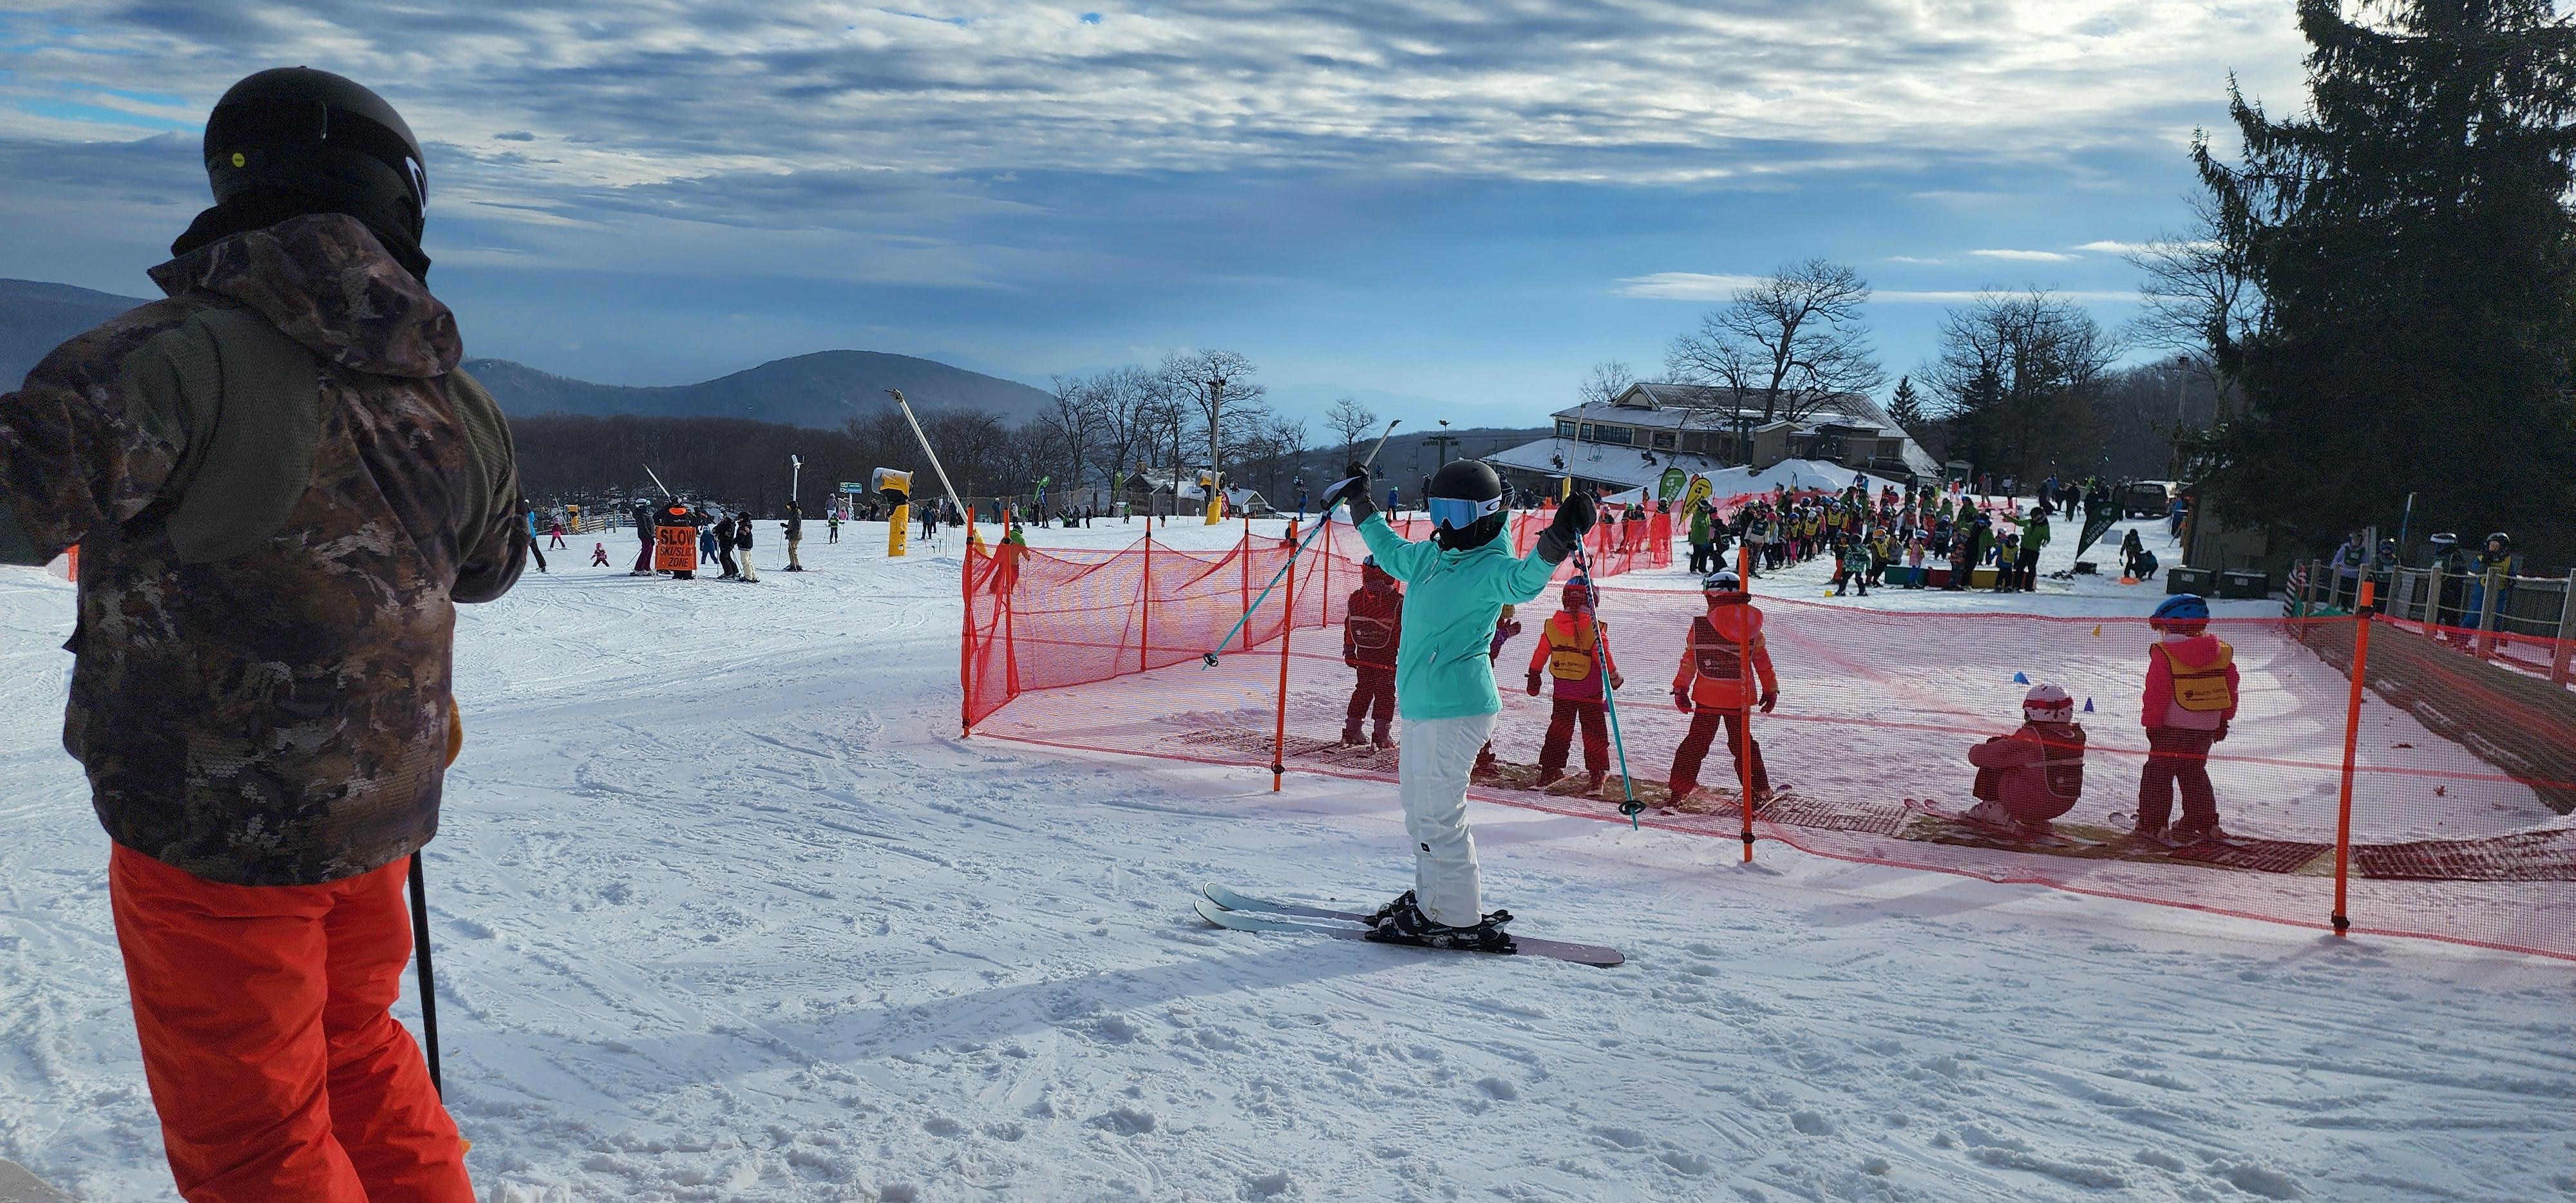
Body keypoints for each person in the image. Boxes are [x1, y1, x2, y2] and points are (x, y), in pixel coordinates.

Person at [0, 66, 515, 1203]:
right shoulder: (455, 394)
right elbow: (488, 567)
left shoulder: (162, 360)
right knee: (359, 1049)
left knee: (255, 1139)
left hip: (212, 832)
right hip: (377, 821)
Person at [1334, 457, 1594, 951]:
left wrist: (1557, 538)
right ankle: (1434, 897)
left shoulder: (1490, 567)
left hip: (1456, 706)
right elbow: (1389, 551)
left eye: (1458, 511)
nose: (1446, 523)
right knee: (1419, 809)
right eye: (1438, 509)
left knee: (1439, 813)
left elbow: (1525, 581)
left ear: (1489, 513)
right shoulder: (1434, 557)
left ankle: (1452, 914)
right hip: (1424, 706)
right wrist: (1361, 502)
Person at [1665, 570, 1777, 808]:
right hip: (1739, 697)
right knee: (1743, 745)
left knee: (1695, 743)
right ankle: (1760, 790)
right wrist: (1771, 690)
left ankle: (1678, 790)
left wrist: (1680, 689)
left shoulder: (1702, 626)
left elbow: (1690, 660)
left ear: (1713, 598)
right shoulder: (1751, 626)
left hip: (1708, 697)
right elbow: (1762, 662)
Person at [2134, 594, 2239, 845]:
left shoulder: (2165, 653)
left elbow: (2157, 692)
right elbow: (2230, 688)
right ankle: (2203, 821)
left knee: (2159, 773)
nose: (2162, 634)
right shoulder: (2221, 653)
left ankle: (2153, 823)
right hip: (2205, 727)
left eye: (2163, 628)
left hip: (2171, 725)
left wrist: (2153, 723)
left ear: (2172, 625)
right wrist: (2223, 719)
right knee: (2193, 771)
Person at [1524, 580, 1623, 793]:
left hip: (1563, 692)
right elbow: (1603, 656)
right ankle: (1597, 774)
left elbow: (1541, 653)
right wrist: (1614, 678)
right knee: (1594, 733)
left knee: (1559, 731)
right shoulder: (1594, 628)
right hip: (1590, 693)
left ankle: (1550, 770)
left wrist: (1534, 675)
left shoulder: (1553, 625)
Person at [1964, 685, 2087, 835]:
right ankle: (2033, 821)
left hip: (2030, 802)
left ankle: (1993, 809)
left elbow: (1978, 757)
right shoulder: (2077, 736)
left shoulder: (2030, 738)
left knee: (1994, 753)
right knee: (2032, 768)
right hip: (2063, 802)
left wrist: (1996, 744)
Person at [1341, 556, 1402, 748]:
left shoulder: (1357, 597)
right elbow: (1402, 631)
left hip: (1364, 653)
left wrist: (1350, 650)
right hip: (1387, 654)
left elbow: (1349, 625)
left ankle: (1352, 731)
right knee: (1385, 693)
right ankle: (1381, 735)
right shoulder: (1398, 601)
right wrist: (1407, 655)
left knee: (1364, 688)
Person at [2018, 507, 2049, 590]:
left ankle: (2029, 587)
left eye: (2035, 517)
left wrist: (2045, 542)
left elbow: (2047, 537)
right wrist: (2007, 517)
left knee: (2031, 569)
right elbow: (2018, 523)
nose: (2034, 519)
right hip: (2024, 548)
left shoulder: (2045, 526)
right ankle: (2017, 585)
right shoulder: (2029, 522)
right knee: (2020, 567)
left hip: (2034, 550)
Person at [1687, 500, 1716, 575]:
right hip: (1698, 540)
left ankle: (1702, 568)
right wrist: (1693, 540)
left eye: (1708, 508)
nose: (1707, 510)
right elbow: (1695, 529)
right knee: (1697, 554)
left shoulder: (1707, 516)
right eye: (1705, 508)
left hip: (1705, 539)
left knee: (1705, 554)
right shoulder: (1698, 516)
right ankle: (1693, 568)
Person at [630, 498, 656, 575]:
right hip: (645, 536)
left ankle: (646, 567)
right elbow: (643, 527)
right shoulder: (641, 515)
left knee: (649, 551)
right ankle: (639, 568)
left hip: (649, 536)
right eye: (646, 505)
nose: (647, 507)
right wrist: (649, 536)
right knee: (645, 552)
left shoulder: (644, 514)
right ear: (641, 506)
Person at [735, 509, 761, 582]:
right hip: (748, 545)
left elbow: (741, 537)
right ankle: (752, 576)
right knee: (749, 561)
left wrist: (733, 542)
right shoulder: (747, 524)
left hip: (745, 545)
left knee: (745, 561)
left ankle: (748, 577)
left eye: (741, 518)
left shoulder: (744, 526)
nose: (739, 519)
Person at [715, 514, 741, 580]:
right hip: (724, 543)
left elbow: (727, 536)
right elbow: (716, 529)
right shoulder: (723, 524)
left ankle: (729, 573)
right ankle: (735, 572)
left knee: (723, 558)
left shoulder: (729, 525)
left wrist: (719, 537)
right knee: (727, 558)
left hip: (727, 544)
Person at [783, 502, 804, 571]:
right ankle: (793, 564)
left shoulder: (797, 514)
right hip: (793, 534)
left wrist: (790, 531)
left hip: (795, 535)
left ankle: (796, 565)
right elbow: (793, 524)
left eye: (790, 507)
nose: (789, 509)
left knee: (792, 549)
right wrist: (786, 526)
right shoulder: (794, 513)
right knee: (791, 550)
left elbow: (797, 527)